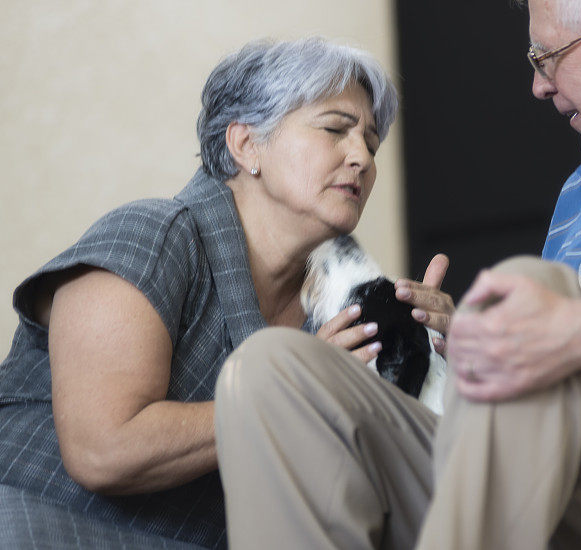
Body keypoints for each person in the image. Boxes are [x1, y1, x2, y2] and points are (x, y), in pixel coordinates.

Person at [213, 0, 581, 548]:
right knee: (275, 371)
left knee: (536, 302)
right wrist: (468, 340)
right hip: (561, 481)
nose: (538, 86)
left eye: (547, 58)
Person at [0, 37, 452, 549]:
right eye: (335, 129)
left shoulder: (337, 311)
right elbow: (103, 449)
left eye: (371, 142)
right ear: (246, 145)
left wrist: (445, 366)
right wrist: (295, 393)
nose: (362, 158)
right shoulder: (150, 236)